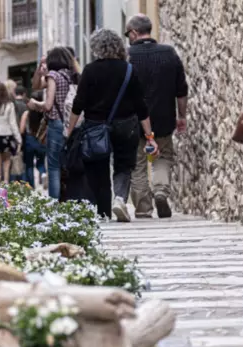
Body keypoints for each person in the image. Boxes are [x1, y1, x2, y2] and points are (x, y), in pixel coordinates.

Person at [67, 29, 158, 221]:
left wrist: (69, 130)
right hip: (126, 125)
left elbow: (79, 103)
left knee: (98, 166)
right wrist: (149, 136)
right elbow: (141, 105)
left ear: (96, 47)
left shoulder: (90, 70)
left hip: (95, 126)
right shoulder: (128, 69)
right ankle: (119, 199)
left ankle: (103, 210)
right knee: (123, 165)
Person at [126, 14, 188, 219]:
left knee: (138, 163)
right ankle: (161, 191)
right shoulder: (169, 53)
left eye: (128, 34)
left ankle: (143, 208)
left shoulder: (128, 56)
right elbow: (181, 89)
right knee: (162, 157)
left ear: (134, 33)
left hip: (133, 121)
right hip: (163, 118)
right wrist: (182, 116)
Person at [28, 47, 77, 199]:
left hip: (56, 123)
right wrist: (39, 69)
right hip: (72, 124)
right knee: (68, 163)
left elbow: (48, 105)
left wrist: (35, 104)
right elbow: (36, 84)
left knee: (54, 166)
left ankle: (55, 203)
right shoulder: (72, 75)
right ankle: (71, 198)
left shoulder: (53, 76)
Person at [19, 90, 47, 188]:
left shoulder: (26, 114)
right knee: (41, 162)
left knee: (29, 165)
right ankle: (43, 174)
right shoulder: (44, 114)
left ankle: (31, 186)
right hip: (41, 141)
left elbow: (22, 130)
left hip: (29, 140)